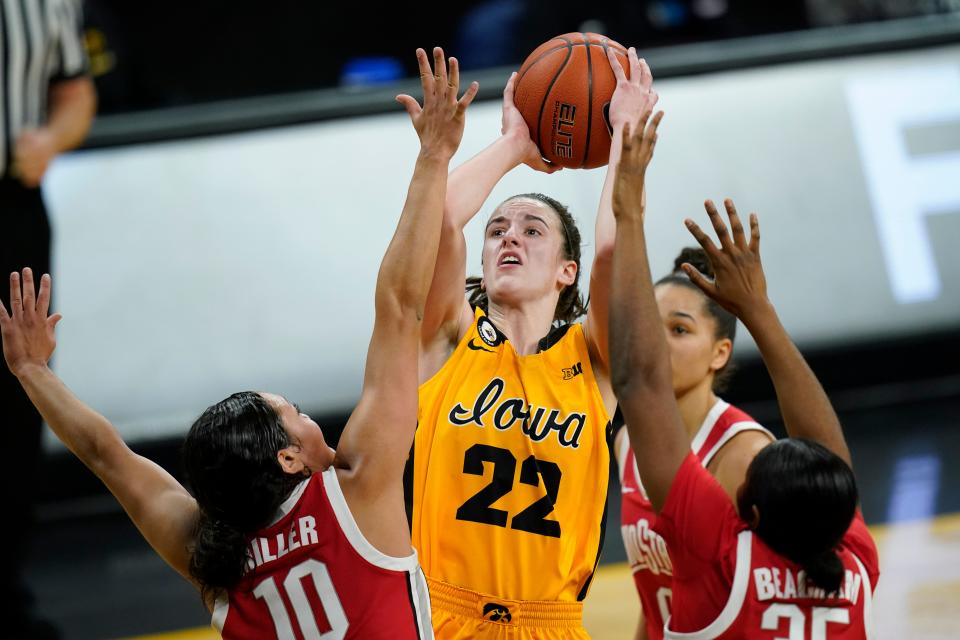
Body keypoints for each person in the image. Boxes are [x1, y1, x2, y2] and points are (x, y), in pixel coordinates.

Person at [0, 47, 477, 639]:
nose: (310, 421)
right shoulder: (355, 494)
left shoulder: (210, 560)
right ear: (288, 458)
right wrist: (434, 155)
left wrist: (32, 374)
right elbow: (400, 306)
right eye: (296, 415)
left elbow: (107, 457)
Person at [413, 46, 657, 638]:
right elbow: (439, 217)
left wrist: (625, 140)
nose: (507, 239)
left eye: (531, 230)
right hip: (440, 615)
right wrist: (517, 146)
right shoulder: (447, 340)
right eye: (497, 230)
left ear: (565, 271)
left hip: (551, 623)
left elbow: (611, 253)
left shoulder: (591, 361)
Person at [609, 112, 879, 639]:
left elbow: (638, 382)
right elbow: (829, 458)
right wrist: (759, 310)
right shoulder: (855, 569)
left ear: (746, 510)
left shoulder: (720, 558)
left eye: (680, 329)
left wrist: (628, 211)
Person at [615, 247, 774, 640]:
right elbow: (654, 596)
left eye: (679, 330)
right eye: (650, 324)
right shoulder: (627, 441)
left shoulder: (745, 454)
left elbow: (780, 594)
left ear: (719, 354)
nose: (656, 341)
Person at [0, 1, 97, 637]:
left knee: (20, 399)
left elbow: (76, 92)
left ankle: (6, 592)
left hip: (13, 206)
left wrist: (51, 138)